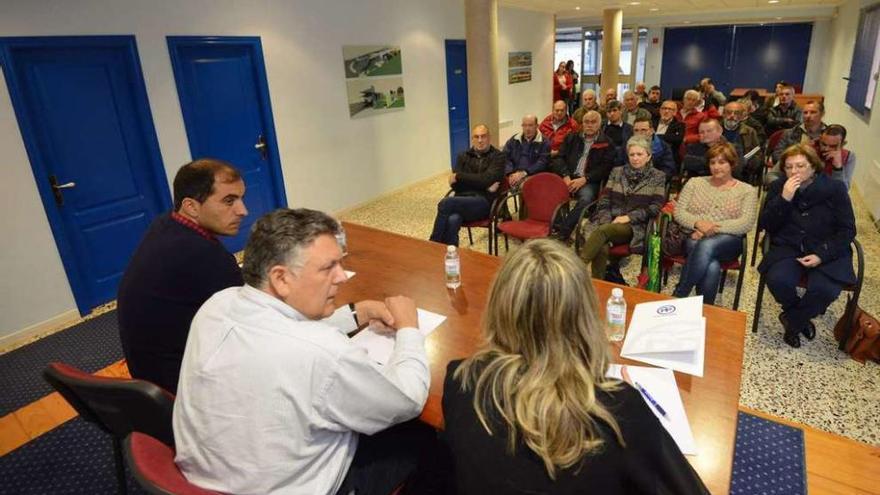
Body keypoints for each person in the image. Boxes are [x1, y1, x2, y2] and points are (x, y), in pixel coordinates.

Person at [174, 208, 432, 494]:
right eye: (328, 268)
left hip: (209, 479)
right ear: (281, 278)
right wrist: (409, 329)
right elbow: (407, 400)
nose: (342, 277)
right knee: (429, 436)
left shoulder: (216, 306)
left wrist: (356, 313)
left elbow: (278, 327)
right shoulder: (322, 353)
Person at [442, 239, 709, 494]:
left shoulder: (459, 379)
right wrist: (649, 422)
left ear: (499, 306)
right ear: (585, 314)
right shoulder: (621, 409)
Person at [117, 158, 247, 394]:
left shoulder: (165, 224)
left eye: (241, 198)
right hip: (184, 387)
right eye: (229, 201)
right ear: (191, 207)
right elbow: (255, 323)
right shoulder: (205, 256)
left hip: (149, 376)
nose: (242, 211)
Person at [758, 144, 856, 348]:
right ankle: (799, 314)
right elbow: (766, 225)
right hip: (789, 247)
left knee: (825, 290)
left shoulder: (835, 189)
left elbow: (847, 230)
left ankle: (793, 322)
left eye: (800, 166)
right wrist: (784, 199)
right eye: (789, 167)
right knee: (778, 280)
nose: (794, 171)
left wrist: (821, 255)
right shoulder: (779, 187)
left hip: (827, 249)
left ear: (813, 167)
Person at [672, 143, 757, 305]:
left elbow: (745, 223)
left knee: (706, 246)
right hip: (693, 236)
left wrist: (709, 228)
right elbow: (679, 213)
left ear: (732, 164)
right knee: (711, 265)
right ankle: (706, 309)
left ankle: (679, 295)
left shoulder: (747, 190)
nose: (717, 167)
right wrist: (697, 222)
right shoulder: (694, 183)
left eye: (722, 162)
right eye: (713, 162)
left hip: (728, 241)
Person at [578, 136, 666, 280]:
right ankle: (597, 283)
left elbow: (655, 207)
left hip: (634, 225)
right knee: (602, 246)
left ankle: (577, 269)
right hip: (608, 221)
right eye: (632, 154)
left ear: (648, 156)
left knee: (603, 231)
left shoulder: (658, 176)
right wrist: (607, 219)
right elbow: (604, 199)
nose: (635, 158)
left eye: (640, 154)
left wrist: (628, 217)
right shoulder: (617, 171)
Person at [430, 124, 505, 246]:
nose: (480, 140)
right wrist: (484, 185)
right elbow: (456, 186)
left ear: (489, 138)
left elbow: (485, 179)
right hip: (463, 200)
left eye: (483, 136)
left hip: (483, 203)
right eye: (476, 137)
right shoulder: (463, 156)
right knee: (452, 220)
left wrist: (460, 176)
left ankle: (433, 245)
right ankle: (451, 255)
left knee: (446, 203)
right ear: (472, 139)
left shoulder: (498, 156)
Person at [550, 110, 617, 242]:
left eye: (593, 122)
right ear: (582, 123)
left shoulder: (607, 143)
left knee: (586, 199)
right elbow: (558, 158)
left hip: (589, 180)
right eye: (586, 122)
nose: (589, 125)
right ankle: (557, 225)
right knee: (551, 191)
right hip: (568, 176)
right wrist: (565, 176)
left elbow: (605, 168)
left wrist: (585, 179)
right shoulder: (572, 137)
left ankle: (564, 231)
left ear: (600, 124)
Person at [766, 100, 826, 184]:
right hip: (790, 172)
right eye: (805, 113)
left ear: (822, 114)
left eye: (813, 112)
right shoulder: (790, 133)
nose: (808, 116)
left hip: (817, 176)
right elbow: (777, 154)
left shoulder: (828, 136)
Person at [503, 115, 550, 188]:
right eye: (524, 125)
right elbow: (505, 157)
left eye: (530, 125)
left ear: (537, 126)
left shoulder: (544, 142)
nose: (527, 129)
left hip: (532, 175)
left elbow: (542, 163)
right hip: (514, 173)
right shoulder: (514, 139)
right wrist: (510, 174)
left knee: (524, 186)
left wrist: (524, 173)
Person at [721, 101, 763, 181]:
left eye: (736, 113)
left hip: (741, 165)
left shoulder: (750, 131)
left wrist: (745, 159)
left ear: (742, 116)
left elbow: (756, 149)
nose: (732, 116)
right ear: (723, 114)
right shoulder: (715, 129)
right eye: (729, 112)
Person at [819, 124, 856, 189]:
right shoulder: (812, 149)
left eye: (833, 146)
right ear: (820, 138)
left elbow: (844, 189)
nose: (826, 149)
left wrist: (838, 168)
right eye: (824, 144)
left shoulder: (849, 157)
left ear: (843, 144)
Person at [654, 100, 685, 165]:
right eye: (664, 108)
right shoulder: (652, 122)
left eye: (670, 109)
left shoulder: (680, 125)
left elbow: (677, 140)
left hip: (669, 156)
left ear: (675, 112)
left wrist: (656, 136)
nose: (666, 111)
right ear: (660, 110)